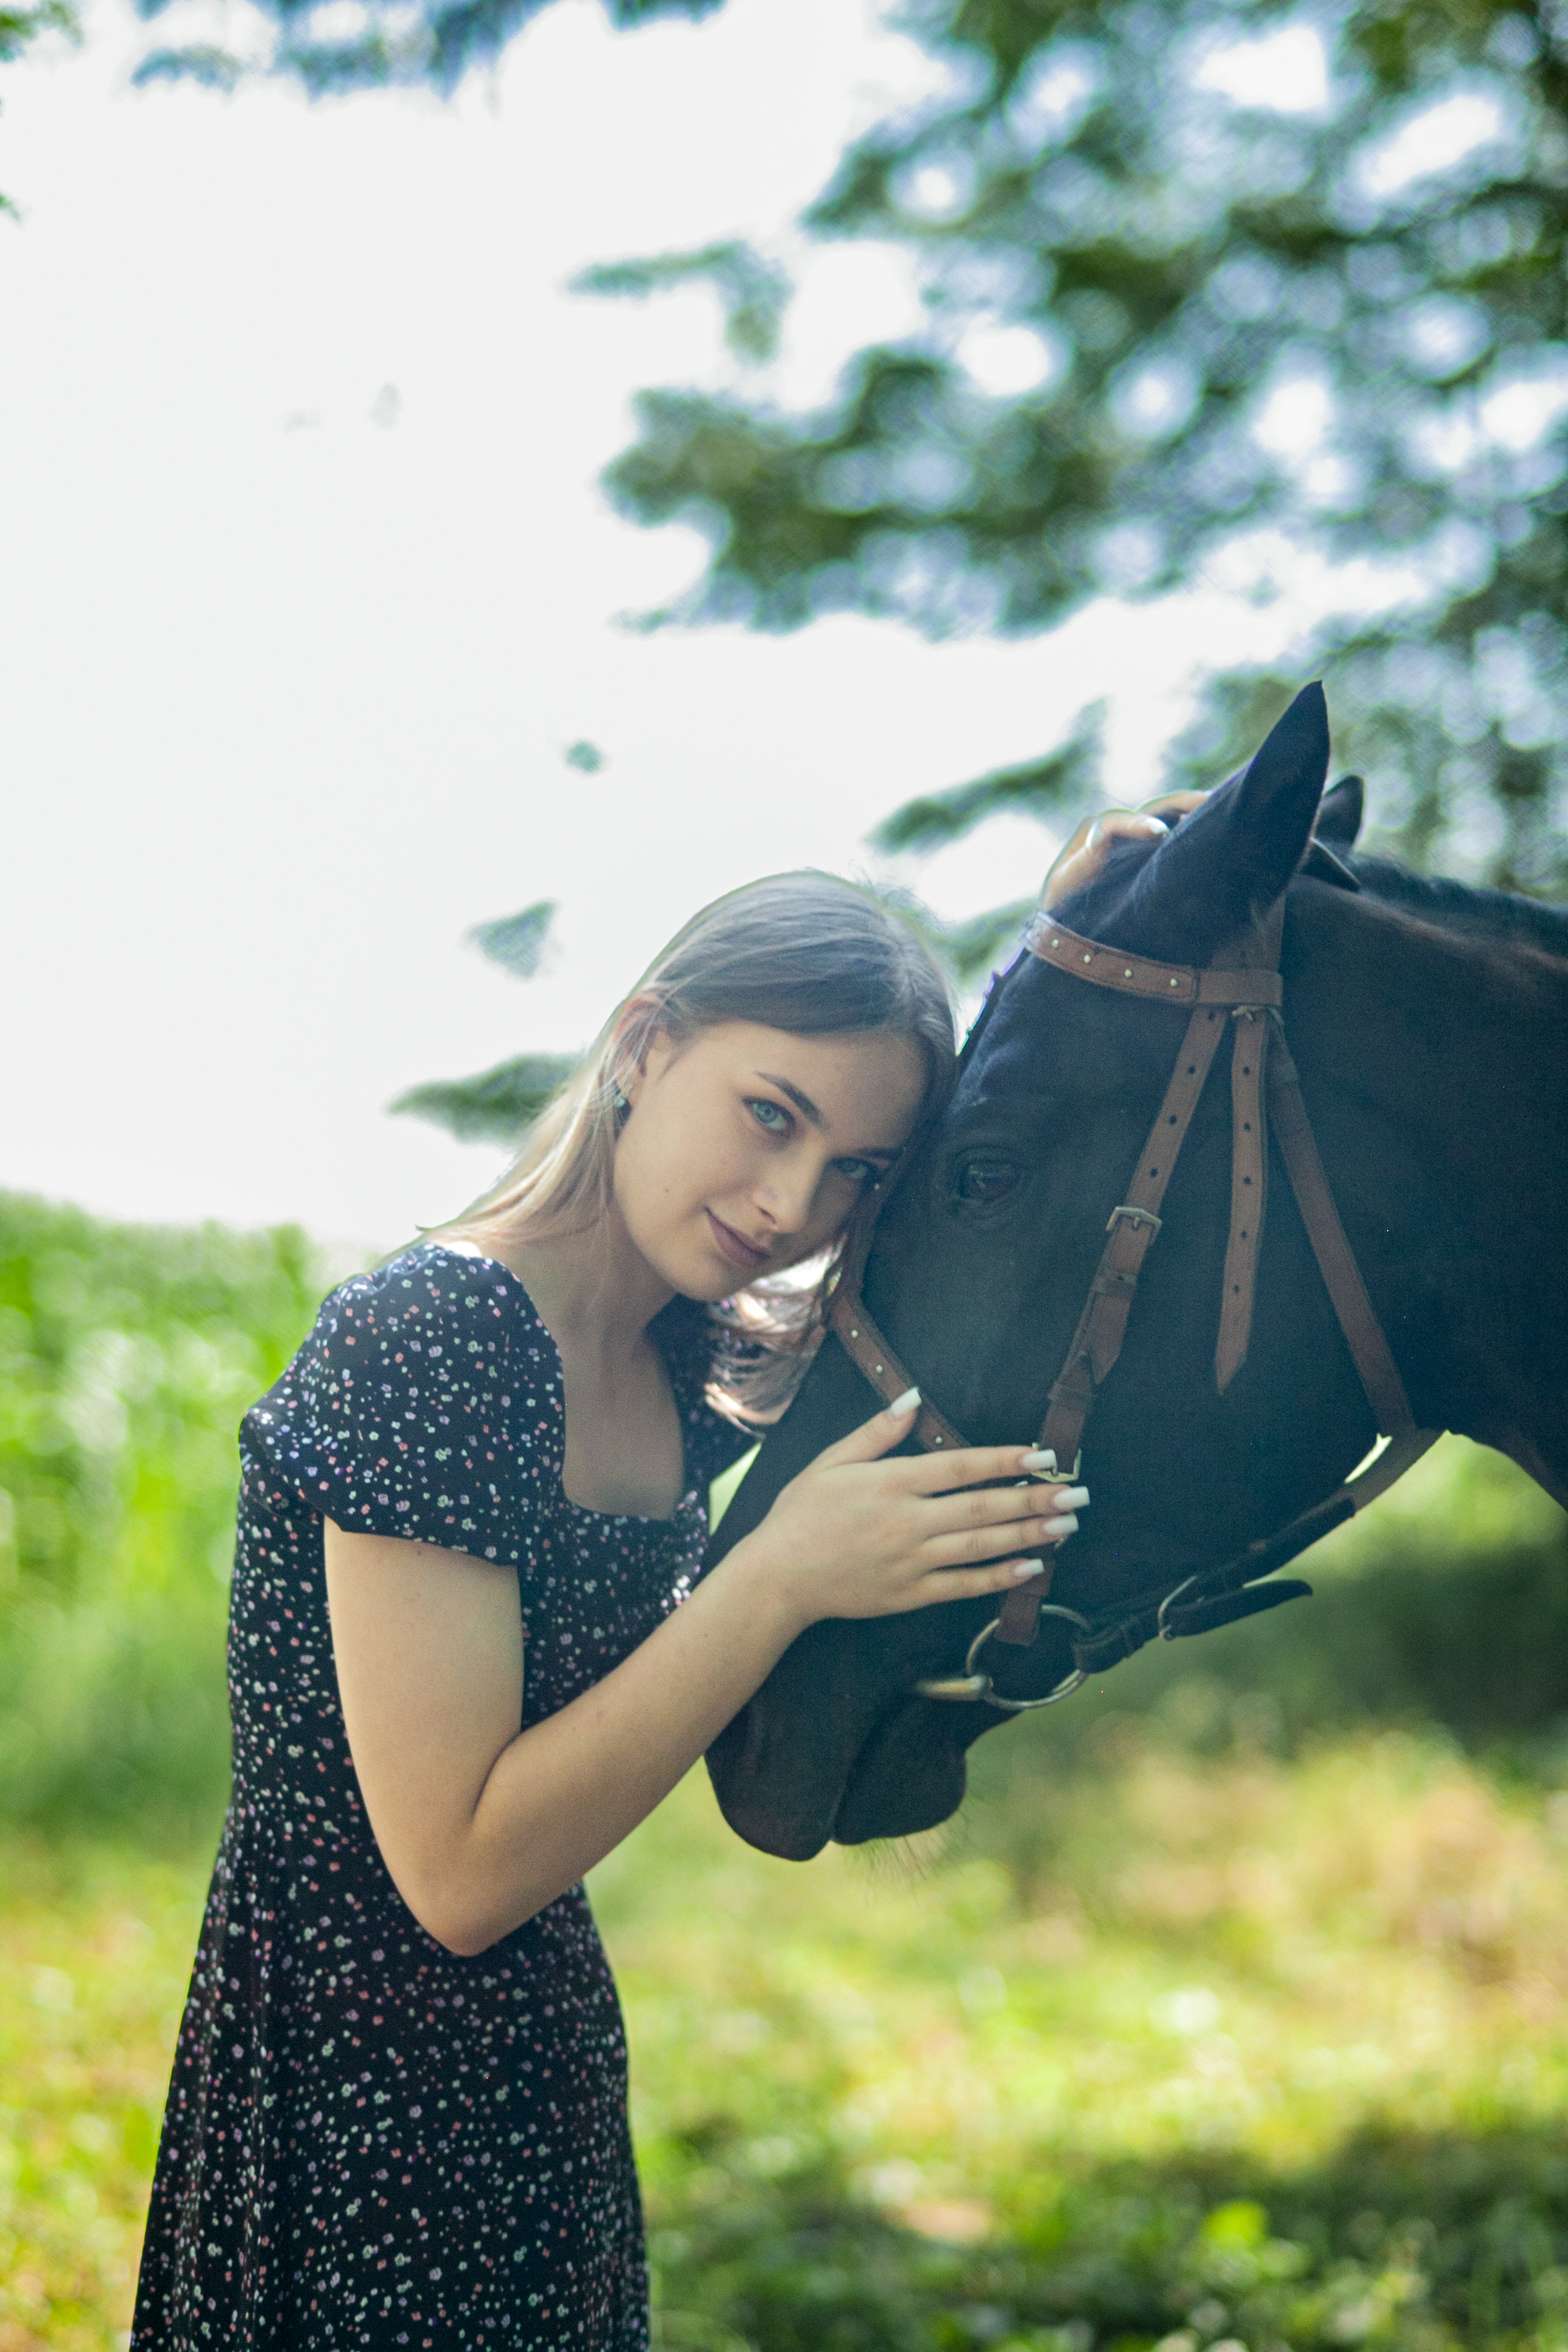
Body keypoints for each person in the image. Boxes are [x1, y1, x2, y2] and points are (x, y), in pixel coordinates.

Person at [132, 831, 1169, 2352]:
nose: (788, 1200)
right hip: (347, 2099)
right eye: (767, 1114)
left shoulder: (683, 1364)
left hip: (535, 2077)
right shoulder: (434, 1339)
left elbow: (993, 1164)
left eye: (846, 1171)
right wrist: (774, 1582)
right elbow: (460, 1874)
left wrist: (1064, 934)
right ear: (642, 1043)